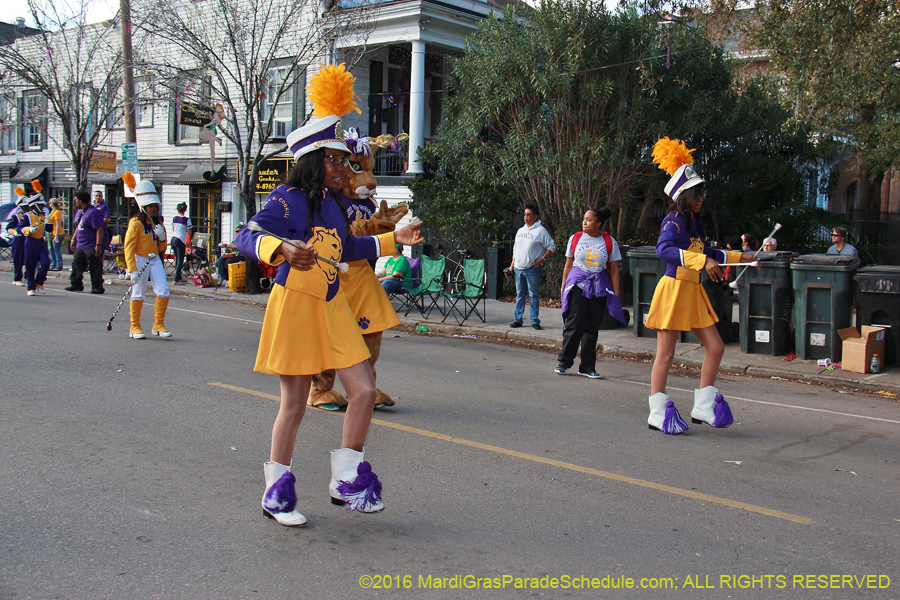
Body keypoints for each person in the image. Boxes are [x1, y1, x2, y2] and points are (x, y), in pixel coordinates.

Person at [234, 69, 423, 527]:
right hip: (296, 307)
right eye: (337, 160)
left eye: (345, 160)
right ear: (315, 161)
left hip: (334, 306)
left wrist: (396, 239)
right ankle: (276, 494)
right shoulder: (288, 199)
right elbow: (246, 234)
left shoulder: (335, 207)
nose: (345, 167)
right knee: (294, 406)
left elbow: (351, 249)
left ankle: (346, 480)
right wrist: (279, 248)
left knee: (361, 391)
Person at [645, 137, 757, 434]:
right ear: (683, 195)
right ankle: (657, 412)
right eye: (695, 194)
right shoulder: (673, 221)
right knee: (665, 355)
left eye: (701, 193)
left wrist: (743, 257)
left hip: (692, 292)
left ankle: (704, 405)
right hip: (673, 290)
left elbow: (709, 253)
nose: (701, 198)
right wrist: (702, 262)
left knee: (716, 346)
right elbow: (663, 250)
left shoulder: (694, 224)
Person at [555, 207, 625, 379]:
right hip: (578, 285)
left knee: (592, 328)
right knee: (575, 323)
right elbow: (569, 265)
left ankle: (587, 367)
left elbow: (615, 270)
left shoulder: (609, 241)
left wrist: (616, 294)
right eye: (584, 219)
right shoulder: (576, 238)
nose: (584, 222)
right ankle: (564, 362)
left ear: (598, 223)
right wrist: (564, 286)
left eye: (589, 219)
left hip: (598, 287)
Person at [124, 180, 171, 339]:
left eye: (156, 206)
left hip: (155, 259)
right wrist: (132, 269)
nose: (154, 208)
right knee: (138, 293)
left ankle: (158, 324)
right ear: (144, 207)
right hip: (140, 259)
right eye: (151, 206)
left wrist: (162, 237)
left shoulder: (158, 222)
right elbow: (129, 247)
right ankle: (134, 326)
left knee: (163, 291)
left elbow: (161, 247)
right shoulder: (135, 223)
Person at [509, 203, 556, 330]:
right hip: (519, 267)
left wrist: (542, 259)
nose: (526, 217)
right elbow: (515, 249)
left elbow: (552, 246)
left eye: (529, 214)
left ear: (535, 216)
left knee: (533, 294)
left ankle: (534, 320)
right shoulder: (520, 231)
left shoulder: (540, 231)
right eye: (525, 214)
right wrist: (511, 266)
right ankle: (517, 319)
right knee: (519, 294)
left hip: (532, 268)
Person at [66, 191, 106, 294]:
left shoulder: (93, 212)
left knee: (94, 266)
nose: (75, 202)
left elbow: (99, 229)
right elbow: (78, 227)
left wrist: (98, 245)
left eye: (75, 200)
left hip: (90, 245)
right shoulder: (80, 212)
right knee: (76, 265)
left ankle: (97, 286)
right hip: (80, 244)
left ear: (80, 200)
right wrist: (73, 239)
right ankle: (76, 284)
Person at [17, 188, 51, 296]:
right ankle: (31, 287)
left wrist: (48, 219)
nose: (43, 206)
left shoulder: (43, 215)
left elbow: (49, 229)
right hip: (31, 241)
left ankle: (39, 281)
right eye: (40, 205)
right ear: (34, 205)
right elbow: (19, 228)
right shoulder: (27, 216)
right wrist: (28, 230)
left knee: (46, 262)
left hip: (40, 242)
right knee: (30, 265)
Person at [6, 188, 28, 286]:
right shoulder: (16, 216)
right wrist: (15, 233)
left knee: (29, 259)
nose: (28, 207)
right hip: (19, 239)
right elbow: (9, 227)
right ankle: (17, 278)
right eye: (25, 206)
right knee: (18, 259)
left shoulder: (31, 215)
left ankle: (28, 277)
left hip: (28, 239)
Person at [171, 202, 193, 284]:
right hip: (180, 240)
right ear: (185, 209)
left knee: (177, 258)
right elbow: (189, 231)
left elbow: (173, 229)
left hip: (173, 238)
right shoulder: (187, 220)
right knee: (180, 260)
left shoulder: (174, 218)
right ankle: (176, 279)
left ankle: (179, 277)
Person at [47, 199, 65, 271]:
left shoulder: (57, 212)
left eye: (50, 203)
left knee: (56, 250)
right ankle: (53, 264)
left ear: (53, 203)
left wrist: (56, 236)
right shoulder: (52, 212)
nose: (49, 204)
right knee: (51, 249)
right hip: (52, 233)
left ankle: (59, 265)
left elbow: (58, 225)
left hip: (58, 233)